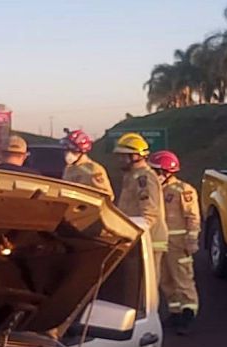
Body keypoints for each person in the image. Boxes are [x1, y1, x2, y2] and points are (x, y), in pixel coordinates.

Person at [148, 150, 200, 335]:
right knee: (166, 280)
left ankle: (188, 314)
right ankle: (175, 311)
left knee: (183, 279)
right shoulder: (155, 190)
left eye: (156, 170)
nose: (153, 174)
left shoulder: (183, 190)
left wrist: (191, 239)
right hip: (161, 242)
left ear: (167, 171)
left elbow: (192, 216)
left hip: (178, 243)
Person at [112, 133, 167, 280]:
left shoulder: (144, 178)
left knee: (144, 288)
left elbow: (149, 213)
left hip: (147, 241)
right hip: (136, 240)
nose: (120, 160)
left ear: (136, 156)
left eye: (124, 156)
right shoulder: (132, 175)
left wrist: (133, 235)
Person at [60, 129, 114, 198]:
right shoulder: (68, 169)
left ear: (82, 151)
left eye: (73, 151)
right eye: (66, 150)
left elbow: (106, 196)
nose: (68, 154)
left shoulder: (93, 169)